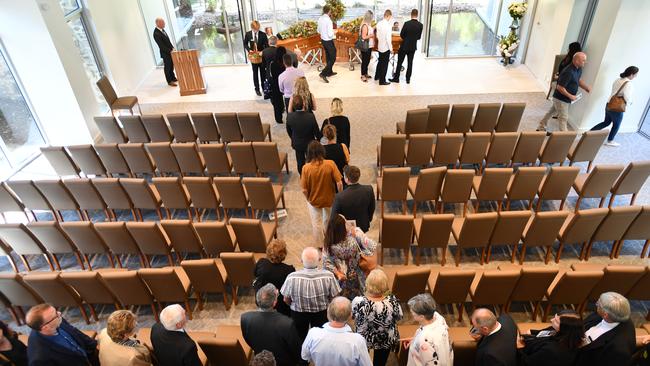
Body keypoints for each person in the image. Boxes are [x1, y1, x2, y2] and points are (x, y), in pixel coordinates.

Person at [280, 247, 341, 340]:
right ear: (319, 260)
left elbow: (286, 299)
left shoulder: (291, 277)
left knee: (300, 337)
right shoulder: (328, 276)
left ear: (301, 260)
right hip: (322, 313)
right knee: (320, 338)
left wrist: (294, 305)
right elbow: (335, 298)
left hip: (298, 313)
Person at [241, 284, 302, 366]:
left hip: (261, 358)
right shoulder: (287, 323)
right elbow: (296, 349)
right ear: (274, 302)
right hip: (284, 361)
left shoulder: (245, 318)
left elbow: (248, 340)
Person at [352, 269, 403, 366]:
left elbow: (353, 316)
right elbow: (399, 317)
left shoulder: (358, 301)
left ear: (368, 283)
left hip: (364, 337)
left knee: (362, 359)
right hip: (385, 337)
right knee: (380, 362)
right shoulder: (392, 301)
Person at [301, 297, 373, 366]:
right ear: (350, 315)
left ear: (328, 312)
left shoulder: (313, 333)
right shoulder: (357, 341)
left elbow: (305, 356)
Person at [25, 303, 99, 366]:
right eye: (56, 315)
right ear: (46, 327)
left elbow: (74, 331)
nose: (59, 313)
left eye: (56, 311)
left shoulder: (56, 320)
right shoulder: (39, 358)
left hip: (87, 355)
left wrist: (95, 344)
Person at [323, 214, 377, 299]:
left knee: (342, 298)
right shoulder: (353, 239)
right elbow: (372, 246)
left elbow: (326, 262)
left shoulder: (329, 243)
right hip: (356, 274)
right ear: (342, 228)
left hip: (340, 277)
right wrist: (359, 235)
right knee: (358, 296)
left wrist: (338, 273)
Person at [576, 292, 636, 366]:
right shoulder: (616, 314)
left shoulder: (618, 350)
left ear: (605, 315)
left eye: (598, 304)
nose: (596, 303)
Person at [301, 141, 343, 244]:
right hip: (329, 198)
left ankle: (320, 244)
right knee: (327, 220)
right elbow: (339, 183)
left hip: (314, 200)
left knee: (316, 223)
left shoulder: (306, 168)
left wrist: (308, 198)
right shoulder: (330, 164)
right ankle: (328, 238)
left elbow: (304, 190)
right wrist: (339, 195)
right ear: (322, 151)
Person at [537, 52, 591, 132]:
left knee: (551, 112)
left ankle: (541, 126)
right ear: (576, 60)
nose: (585, 62)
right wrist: (571, 96)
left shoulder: (579, 69)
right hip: (560, 99)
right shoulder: (568, 72)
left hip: (564, 98)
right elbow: (559, 87)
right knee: (563, 117)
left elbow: (578, 80)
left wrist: (586, 88)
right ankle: (565, 137)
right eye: (583, 60)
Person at [590, 66, 639, 146]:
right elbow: (627, 96)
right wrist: (630, 103)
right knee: (616, 125)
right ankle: (610, 141)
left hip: (609, 104)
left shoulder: (618, 79)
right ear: (631, 74)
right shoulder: (628, 83)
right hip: (616, 108)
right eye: (635, 75)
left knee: (606, 122)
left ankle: (589, 133)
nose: (636, 76)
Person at [517, 310, 584, 366]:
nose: (551, 320)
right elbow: (541, 332)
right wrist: (530, 333)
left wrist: (519, 347)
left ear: (565, 328)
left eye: (556, 321)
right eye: (554, 317)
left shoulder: (553, 350)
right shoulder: (558, 330)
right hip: (529, 345)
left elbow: (526, 363)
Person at [403, 294, 453, 366]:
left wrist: (417, 343)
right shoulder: (438, 317)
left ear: (421, 317)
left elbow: (430, 363)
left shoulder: (423, 341)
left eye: (413, 314)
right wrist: (414, 340)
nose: (411, 313)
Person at [254, 239, 296, 316]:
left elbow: (255, 274)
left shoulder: (261, 263)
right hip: (281, 306)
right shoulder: (289, 270)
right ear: (284, 254)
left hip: (264, 300)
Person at [331, 165, 375, 233]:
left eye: (344, 176)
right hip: (363, 225)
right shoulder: (369, 189)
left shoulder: (339, 197)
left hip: (347, 229)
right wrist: (368, 219)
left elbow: (334, 217)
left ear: (347, 179)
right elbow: (372, 208)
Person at [286, 96, 321, 174]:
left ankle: (302, 176)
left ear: (293, 106)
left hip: (297, 143)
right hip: (309, 143)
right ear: (304, 104)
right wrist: (319, 140)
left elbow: (288, 131)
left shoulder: (290, 116)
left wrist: (293, 138)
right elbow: (316, 131)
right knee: (311, 161)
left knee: (300, 162)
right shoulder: (310, 116)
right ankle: (311, 175)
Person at [390, 9, 423, 84]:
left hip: (404, 46)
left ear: (411, 14)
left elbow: (401, 35)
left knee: (400, 62)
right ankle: (408, 79)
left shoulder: (406, 23)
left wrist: (406, 38)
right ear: (417, 15)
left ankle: (396, 78)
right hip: (412, 47)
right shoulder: (420, 25)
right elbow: (418, 37)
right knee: (410, 63)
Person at [244, 20, 269, 96]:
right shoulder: (248, 34)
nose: (256, 31)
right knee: (255, 74)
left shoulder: (263, 35)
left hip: (261, 58)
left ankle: (264, 88)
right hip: (253, 58)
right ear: (252, 28)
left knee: (263, 74)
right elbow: (245, 44)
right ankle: (257, 89)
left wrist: (263, 52)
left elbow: (267, 46)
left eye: (257, 29)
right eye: (255, 29)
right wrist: (249, 50)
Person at [153, 18, 178, 87]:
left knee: (171, 66)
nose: (164, 24)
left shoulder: (162, 30)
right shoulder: (156, 33)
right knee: (167, 67)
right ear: (158, 23)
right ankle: (169, 81)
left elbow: (167, 41)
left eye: (164, 23)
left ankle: (173, 78)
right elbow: (161, 46)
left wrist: (172, 48)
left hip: (170, 52)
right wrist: (170, 51)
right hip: (165, 53)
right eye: (163, 23)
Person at [317, 5, 337, 83]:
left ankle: (329, 72)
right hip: (328, 40)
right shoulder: (328, 20)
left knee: (328, 56)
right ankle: (323, 73)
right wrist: (334, 32)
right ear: (329, 11)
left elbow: (318, 31)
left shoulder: (320, 18)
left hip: (323, 41)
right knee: (333, 57)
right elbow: (330, 34)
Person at [269, 46, 288, 124]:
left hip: (275, 84)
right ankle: (289, 116)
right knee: (288, 99)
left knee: (276, 102)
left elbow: (272, 75)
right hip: (285, 84)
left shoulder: (272, 63)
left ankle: (278, 118)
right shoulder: (285, 63)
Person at [375, 10, 393, 85]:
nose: (390, 19)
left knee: (380, 62)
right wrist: (391, 49)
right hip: (386, 48)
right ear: (388, 16)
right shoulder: (388, 26)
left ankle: (377, 76)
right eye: (390, 17)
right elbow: (388, 39)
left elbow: (377, 36)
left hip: (380, 46)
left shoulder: (379, 23)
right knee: (384, 65)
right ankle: (382, 81)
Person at [359, 11, 375, 82]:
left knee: (367, 60)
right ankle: (362, 75)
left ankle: (365, 73)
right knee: (365, 61)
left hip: (369, 46)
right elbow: (363, 37)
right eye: (371, 17)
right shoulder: (365, 25)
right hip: (366, 46)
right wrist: (371, 36)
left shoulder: (368, 24)